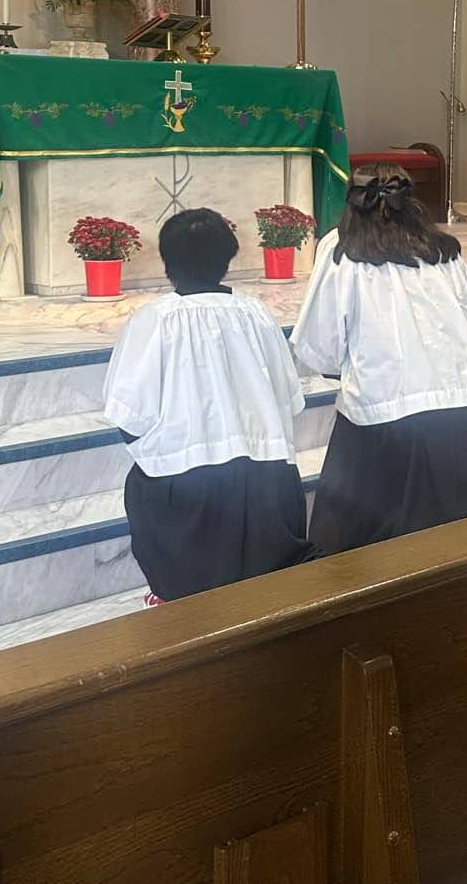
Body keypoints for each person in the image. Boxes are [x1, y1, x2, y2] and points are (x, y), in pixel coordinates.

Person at [291, 165, 467, 554]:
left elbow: (318, 345)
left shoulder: (342, 249)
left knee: (360, 550)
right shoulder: (444, 248)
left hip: (389, 418)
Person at [104, 209, 311, 601]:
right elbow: (289, 397)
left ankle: (174, 591)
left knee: (142, 481)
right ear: (227, 257)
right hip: (267, 482)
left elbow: (128, 415)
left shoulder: (153, 320)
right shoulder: (256, 313)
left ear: (168, 261)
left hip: (185, 493)